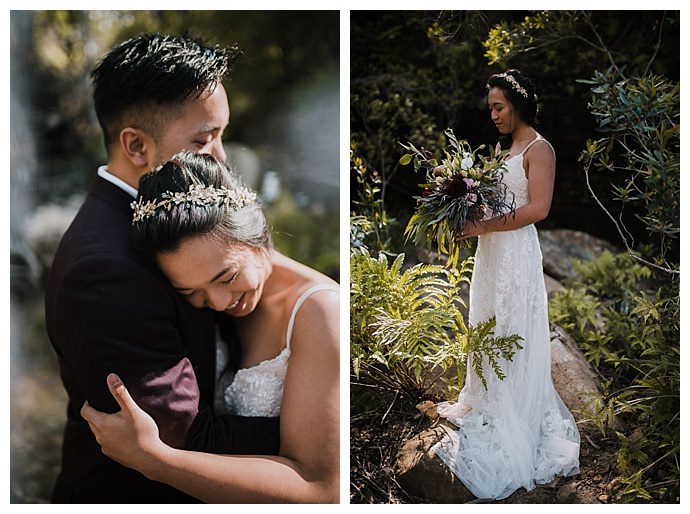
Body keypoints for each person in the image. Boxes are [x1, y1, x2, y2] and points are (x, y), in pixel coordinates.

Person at [44, 34, 281, 503]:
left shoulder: (179, 226)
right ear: (135, 145)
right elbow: (185, 436)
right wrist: (313, 437)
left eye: (221, 134)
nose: (220, 156)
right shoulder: (105, 272)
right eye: (203, 138)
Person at [80, 152, 340, 503]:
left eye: (228, 277)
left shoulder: (320, 313)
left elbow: (323, 488)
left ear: (258, 238)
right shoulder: (210, 301)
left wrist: (157, 461)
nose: (218, 304)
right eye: (192, 292)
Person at [431, 69, 580, 499]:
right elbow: (495, 198)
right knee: (488, 317)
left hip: (516, 251)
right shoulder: (502, 147)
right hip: (493, 251)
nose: (493, 115)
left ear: (517, 105)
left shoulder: (540, 149)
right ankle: (488, 399)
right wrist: (463, 205)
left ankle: (516, 410)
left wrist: (482, 225)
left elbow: (538, 209)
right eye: (491, 108)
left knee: (513, 326)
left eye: (498, 107)